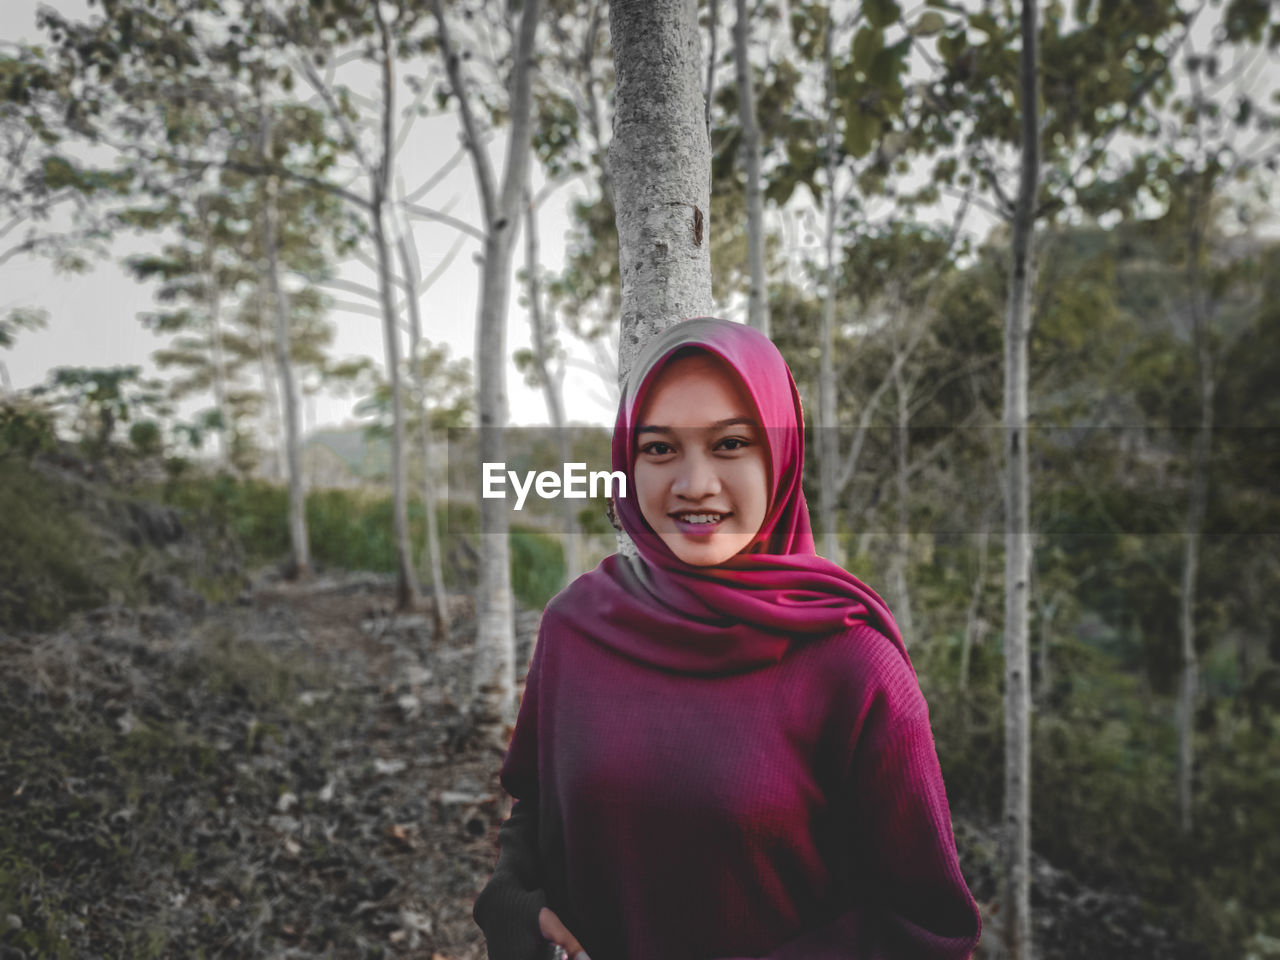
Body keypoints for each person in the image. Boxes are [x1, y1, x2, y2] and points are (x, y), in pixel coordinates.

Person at [473, 317, 982, 960]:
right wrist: (516, 911)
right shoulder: (577, 625)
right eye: (659, 449)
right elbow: (538, 814)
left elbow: (927, 927)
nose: (694, 484)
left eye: (731, 443)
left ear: (782, 455)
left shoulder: (850, 662)